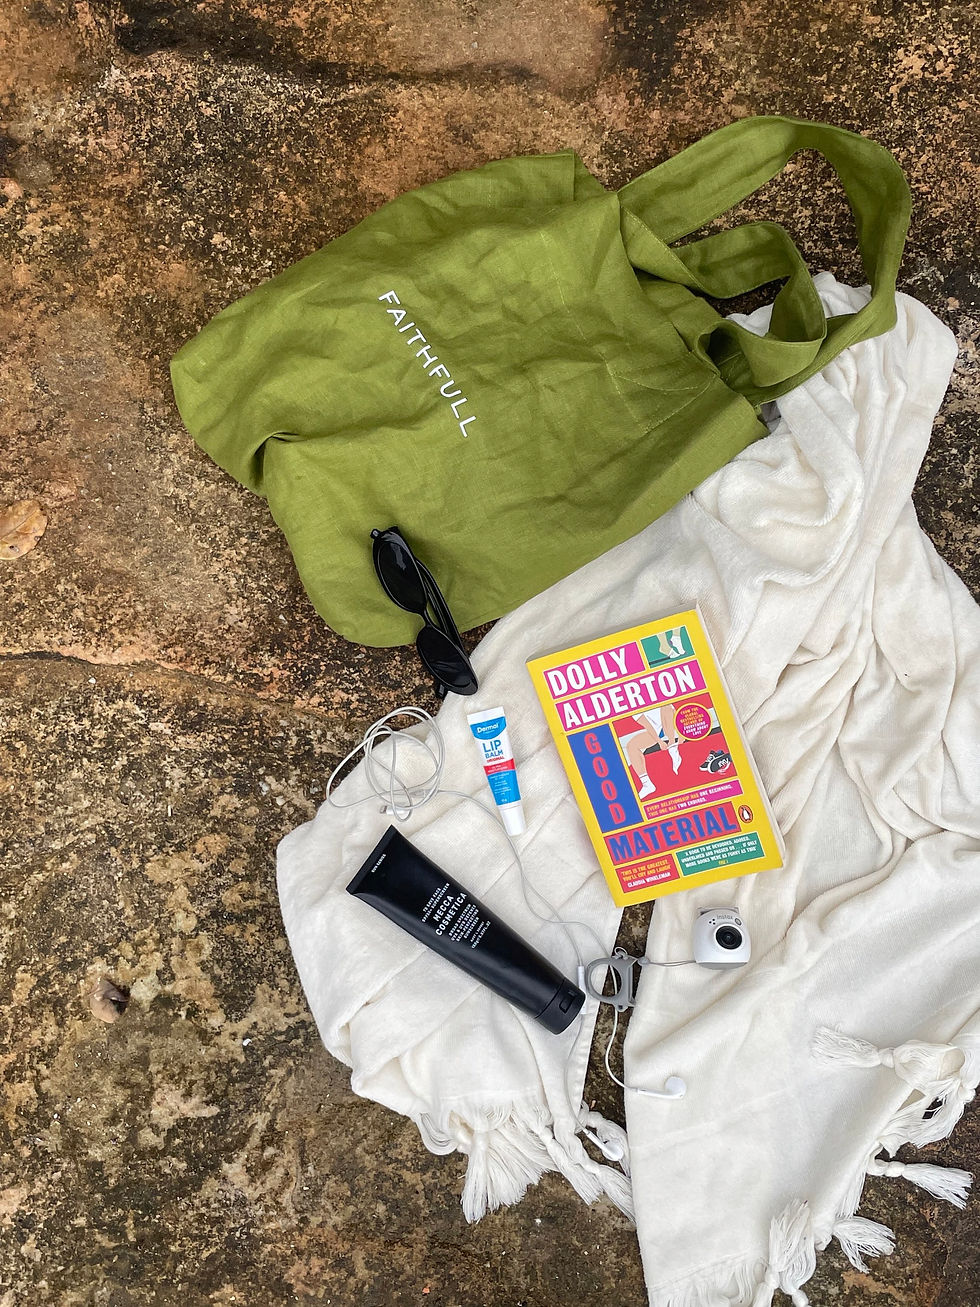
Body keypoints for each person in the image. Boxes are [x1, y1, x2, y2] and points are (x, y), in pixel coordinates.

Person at [623, 704, 682, 799]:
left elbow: (672, 710)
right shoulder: (632, 707)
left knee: (666, 706)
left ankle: (672, 748)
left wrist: (681, 732)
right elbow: (648, 726)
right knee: (631, 746)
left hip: (671, 722)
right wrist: (659, 741)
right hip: (656, 732)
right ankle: (647, 784)